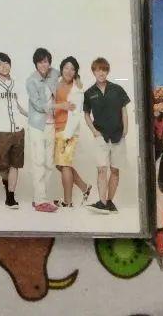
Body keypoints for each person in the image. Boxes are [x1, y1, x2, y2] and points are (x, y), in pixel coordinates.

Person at [83, 57, 131, 214]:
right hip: (101, 136)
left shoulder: (117, 89)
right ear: (93, 72)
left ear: (107, 71)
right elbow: (86, 114)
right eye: (98, 70)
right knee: (101, 169)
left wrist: (125, 129)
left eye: (104, 70)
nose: (101, 73)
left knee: (115, 170)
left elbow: (124, 110)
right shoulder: (89, 93)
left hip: (118, 135)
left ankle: (110, 202)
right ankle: (102, 202)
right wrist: (94, 131)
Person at [54, 56, 92, 208]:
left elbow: (76, 116)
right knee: (60, 165)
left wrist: (67, 136)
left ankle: (67, 202)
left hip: (67, 131)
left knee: (64, 165)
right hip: (56, 128)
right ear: (61, 69)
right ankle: (84, 187)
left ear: (75, 72)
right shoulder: (56, 83)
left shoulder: (77, 90)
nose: (69, 71)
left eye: (72, 69)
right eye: (66, 68)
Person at [0, 52, 26, 210]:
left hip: (18, 129)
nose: (4, 66)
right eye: (0, 64)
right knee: (2, 165)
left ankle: (10, 196)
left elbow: (22, 105)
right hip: (2, 130)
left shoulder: (17, 83)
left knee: (14, 164)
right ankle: (6, 183)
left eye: (6, 63)